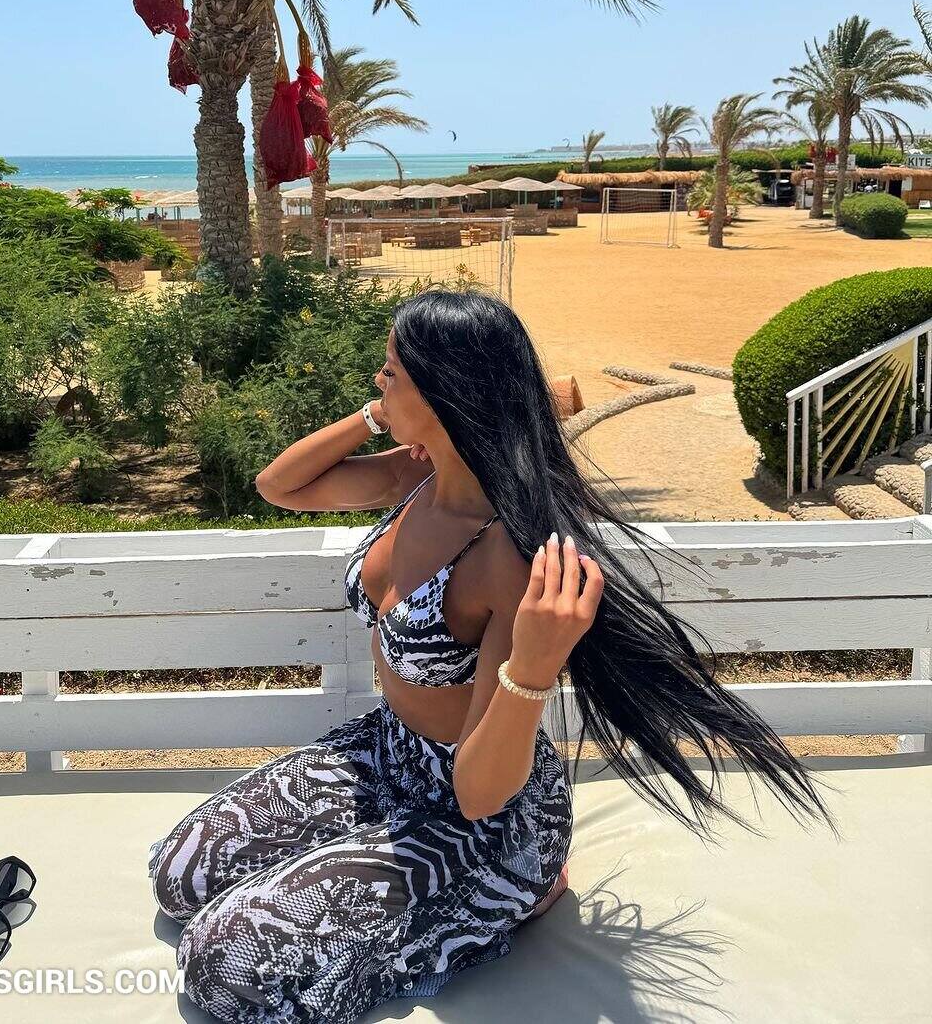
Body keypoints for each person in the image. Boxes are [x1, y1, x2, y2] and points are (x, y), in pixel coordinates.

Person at [148, 289, 841, 1022]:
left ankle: (520, 887)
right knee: (180, 872)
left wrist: (535, 668)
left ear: (443, 393)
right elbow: (279, 486)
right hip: (387, 755)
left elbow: (480, 793)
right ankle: (350, 861)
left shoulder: (507, 554)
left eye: (391, 373)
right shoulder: (418, 477)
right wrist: (379, 414)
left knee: (224, 965)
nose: (376, 382)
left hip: (481, 815)